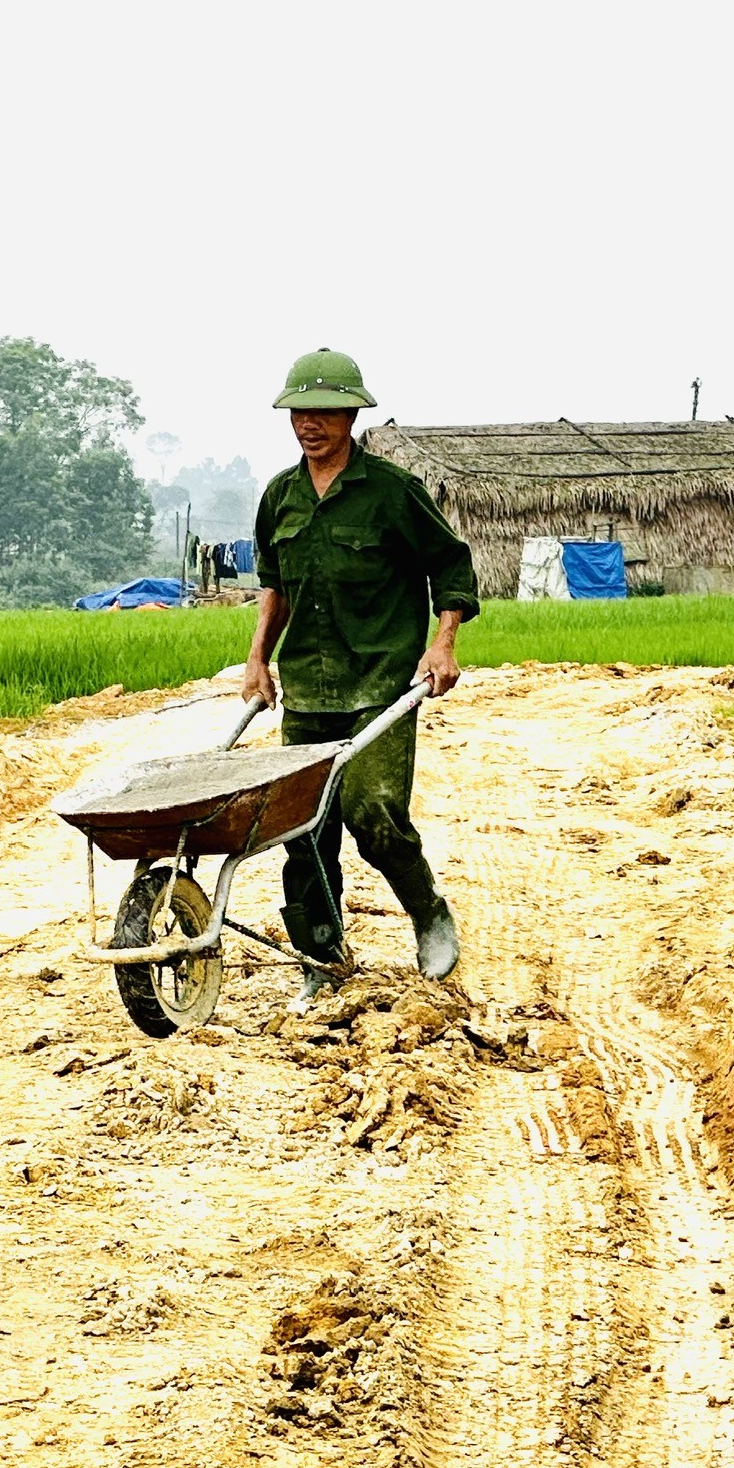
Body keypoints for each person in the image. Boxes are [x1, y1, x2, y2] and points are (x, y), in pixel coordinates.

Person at [241, 348, 477, 999]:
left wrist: (444, 642)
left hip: (380, 683)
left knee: (371, 810)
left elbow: (451, 567)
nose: (309, 424)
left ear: (351, 414)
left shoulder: (391, 493)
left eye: (324, 412)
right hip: (309, 691)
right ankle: (321, 958)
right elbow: (274, 586)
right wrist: (260, 658)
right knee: (303, 829)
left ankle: (429, 914)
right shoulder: (281, 498)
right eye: (299, 412)